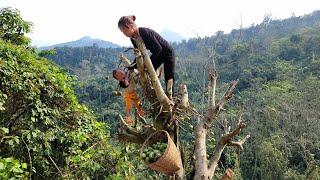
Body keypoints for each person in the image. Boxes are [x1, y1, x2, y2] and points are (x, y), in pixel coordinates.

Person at [118, 15, 176, 100]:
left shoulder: (144, 32)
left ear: (130, 26)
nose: (124, 34)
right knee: (148, 74)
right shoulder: (133, 38)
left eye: (124, 31)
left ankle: (171, 99)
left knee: (169, 78)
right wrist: (133, 65)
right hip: (158, 54)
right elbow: (138, 54)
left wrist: (147, 63)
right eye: (122, 32)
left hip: (167, 53)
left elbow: (158, 48)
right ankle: (156, 96)